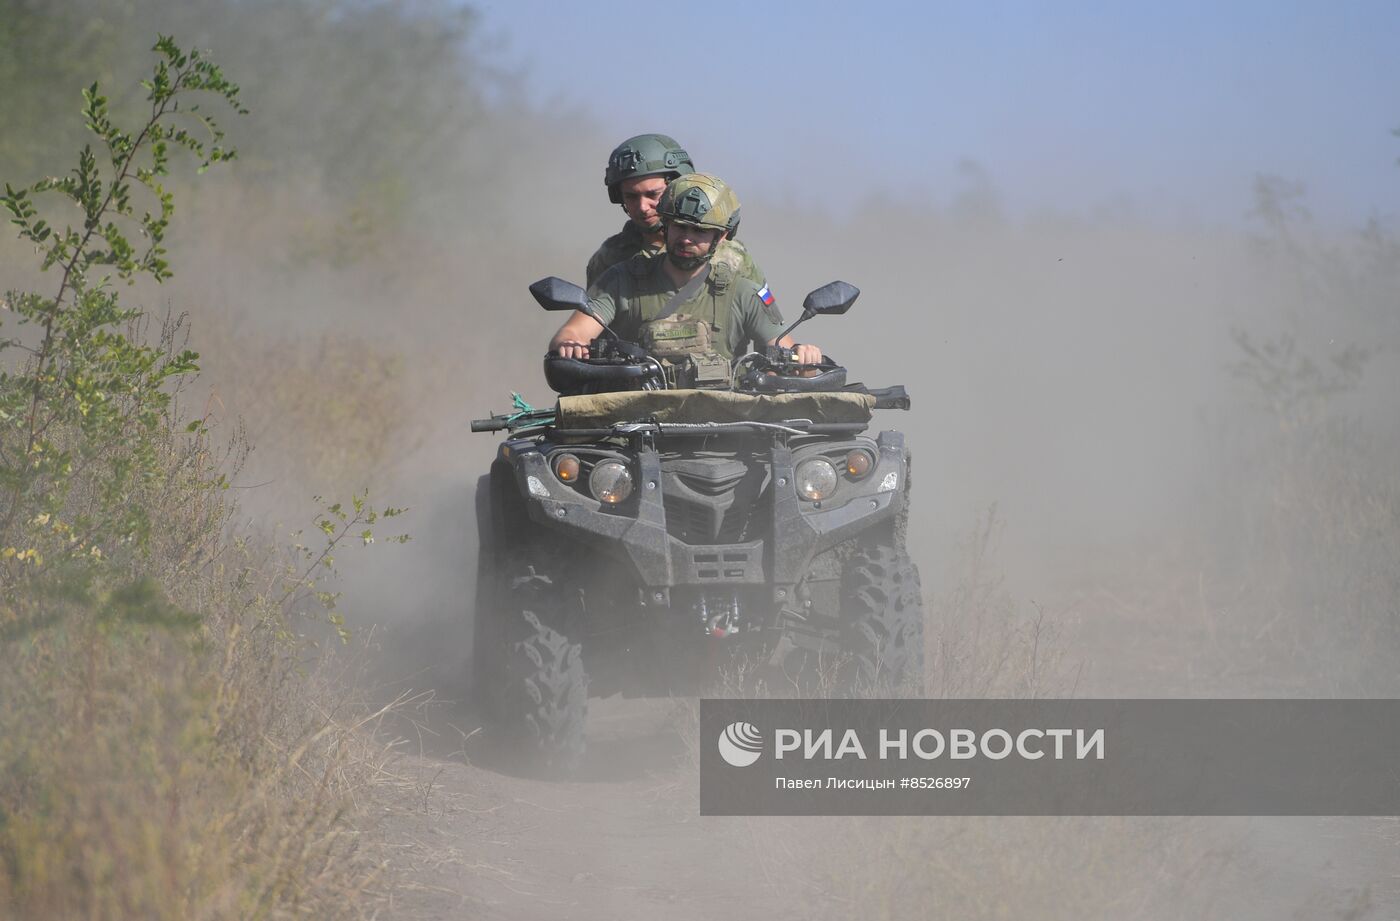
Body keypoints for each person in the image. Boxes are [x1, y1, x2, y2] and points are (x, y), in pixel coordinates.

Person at [552, 173, 821, 366]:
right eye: (680, 226)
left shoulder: (744, 293)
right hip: (635, 425)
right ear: (666, 226)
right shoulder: (621, 281)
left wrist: (803, 355)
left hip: (726, 429)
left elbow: (781, 348)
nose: (687, 238)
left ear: (722, 236)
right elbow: (572, 333)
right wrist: (570, 345)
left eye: (700, 231)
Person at [586, 133, 766, 291]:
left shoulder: (730, 256)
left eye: (652, 194)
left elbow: (764, 322)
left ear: (677, 188)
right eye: (631, 196)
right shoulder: (610, 258)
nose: (642, 206)